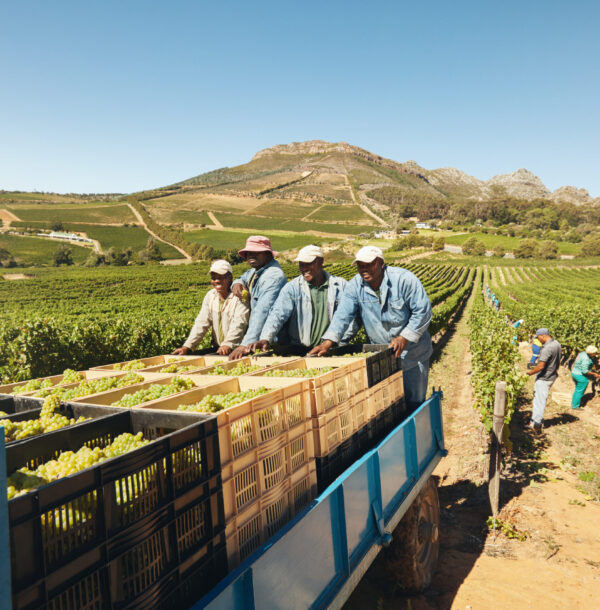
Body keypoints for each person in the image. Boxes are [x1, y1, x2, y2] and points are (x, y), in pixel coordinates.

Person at [309, 246, 432, 411]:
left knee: (414, 405)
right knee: (387, 406)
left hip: (413, 355)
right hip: (381, 356)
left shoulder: (404, 280)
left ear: (381, 263)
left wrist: (404, 338)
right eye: (360, 265)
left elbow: (423, 312)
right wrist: (327, 342)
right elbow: (343, 315)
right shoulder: (355, 286)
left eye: (368, 264)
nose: (363, 269)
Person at [251, 245, 359, 353]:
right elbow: (277, 315)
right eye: (301, 264)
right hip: (300, 351)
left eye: (308, 264)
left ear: (321, 261)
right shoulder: (292, 288)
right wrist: (265, 338)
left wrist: (338, 341)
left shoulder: (341, 286)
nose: (304, 268)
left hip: (331, 350)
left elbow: (353, 317)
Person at [173, 259, 249, 357]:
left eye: (221, 277)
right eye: (213, 278)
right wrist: (188, 346)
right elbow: (201, 323)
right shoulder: (210, 296)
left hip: (239, 351)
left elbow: (240, 323)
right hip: (219, 349)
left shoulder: (239, 296)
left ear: (230, 277)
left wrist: (229, 343)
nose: (217, 281)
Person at [228, 235, 287, 360]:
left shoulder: (273, 276)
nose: (250, 256)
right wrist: (236, 284)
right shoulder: (256, 272)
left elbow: (262, 312)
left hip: (271, 342)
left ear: (267, 254)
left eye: (256, 252)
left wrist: (245, 344)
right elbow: (242, 278)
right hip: (257, 340)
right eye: (248, 253)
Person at [526, 328, 562, 433]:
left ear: (543, 335)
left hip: (544, 377)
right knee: (541, 398)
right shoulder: (557, 344)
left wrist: (529, 373)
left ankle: (536, 424)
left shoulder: (547, 348)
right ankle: (536, 421)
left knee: (539, 401)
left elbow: (541, 366)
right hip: (552, 375)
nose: (538, 340)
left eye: (538, 338)